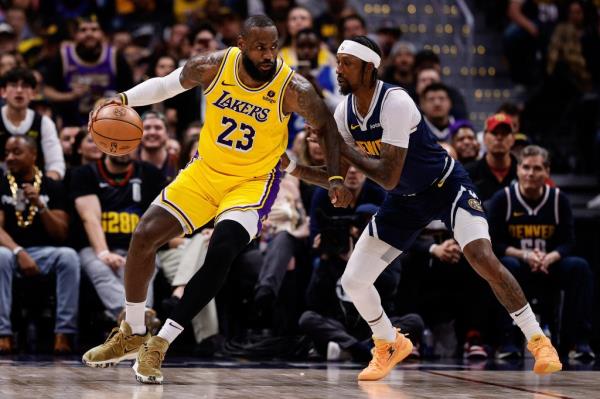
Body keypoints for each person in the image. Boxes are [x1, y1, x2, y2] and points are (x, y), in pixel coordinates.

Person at [82, 15, 351, 384]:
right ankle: (132, 330)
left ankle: (160, 343)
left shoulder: (294, 87)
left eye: (273, 46)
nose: (268, 54)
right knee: (144, 235)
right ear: (241, 43)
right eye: (259, 47)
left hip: (252, 181)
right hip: (205, 171)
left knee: (222, 248)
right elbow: (164, 86)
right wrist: (124, 98)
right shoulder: (211, 66)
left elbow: (327, 127)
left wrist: (335, 175)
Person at [288, 36, 561, 380]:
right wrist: (297, 168)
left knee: (481, 256)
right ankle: (388, 342)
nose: (338, 69)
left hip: (446, 187)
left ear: (369, 69)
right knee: (355, 280)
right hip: (404, 200)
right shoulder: (344, 111)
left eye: (346, 63)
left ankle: (538, 340)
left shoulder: (396, 101)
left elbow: (387, 175)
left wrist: (340, 149)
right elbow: (337, 175)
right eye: (338, 62)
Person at [487, 145, 595, 360]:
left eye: (537, 168)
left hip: (549, 266)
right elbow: (494, 243)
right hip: (518, 268)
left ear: (547, 171)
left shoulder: (558, 199)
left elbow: (568, 241)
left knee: (579, 267)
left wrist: (551, 257)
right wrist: (524, 255)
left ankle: (576, 341)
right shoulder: (504, 198)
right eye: (525, 167)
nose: (530, 173)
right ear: (517, 170)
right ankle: (507, 341)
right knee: (506, 265)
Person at [0, 136, 79, 354]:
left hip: (44, 252)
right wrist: (18, 251)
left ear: (34, 155)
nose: (10, 158)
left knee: (69, 256)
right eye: (7, 153)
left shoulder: (52, 186)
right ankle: (3, 334)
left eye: (16, 152)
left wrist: (41, 206)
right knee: (1, 257)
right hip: (10, 250)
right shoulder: (2, 183)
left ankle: (63, 333)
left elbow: (61, 233)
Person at [0, 67, 65, 180]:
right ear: (3, 92)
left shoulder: (45, 123)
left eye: (25, 86)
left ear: (34, 93)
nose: (19, 90)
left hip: (35, 185)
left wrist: (44, 186)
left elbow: (56, 164)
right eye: (14, 85)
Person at [466, 114, 518, 202]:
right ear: (484, 137)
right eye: (494, 133)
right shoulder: (468, 174)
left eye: (504, 133)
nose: (499, 137)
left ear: (513, 139)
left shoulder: (524, 173)